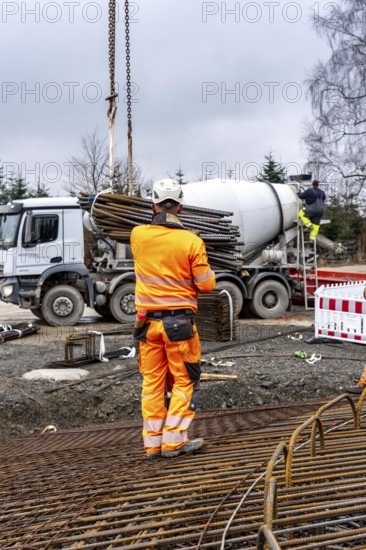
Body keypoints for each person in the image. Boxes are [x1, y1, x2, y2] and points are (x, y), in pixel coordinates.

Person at [130, 179, 216, 460]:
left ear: (153, 205)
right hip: (179, 325)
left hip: (147, 325)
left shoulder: (137, 235)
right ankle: (173, 442)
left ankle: (153, 445)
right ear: (181, 206)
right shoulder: (192, 241)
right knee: (184, 381)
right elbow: (205, 285)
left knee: (152, 383)